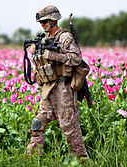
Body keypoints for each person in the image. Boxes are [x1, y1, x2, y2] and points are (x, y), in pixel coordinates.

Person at [26, 5, 89, 160]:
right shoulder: (45, 39)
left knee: (70, 128)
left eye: (45, 21)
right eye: (41, 22)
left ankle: (82, 161)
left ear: (54, 20)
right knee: (37, 123)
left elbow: (76, 59)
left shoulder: (65, 37)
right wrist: (35, 51)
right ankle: (32, 161)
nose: (43, 24)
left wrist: (54, 55)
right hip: (48, 87)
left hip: (64, 88)